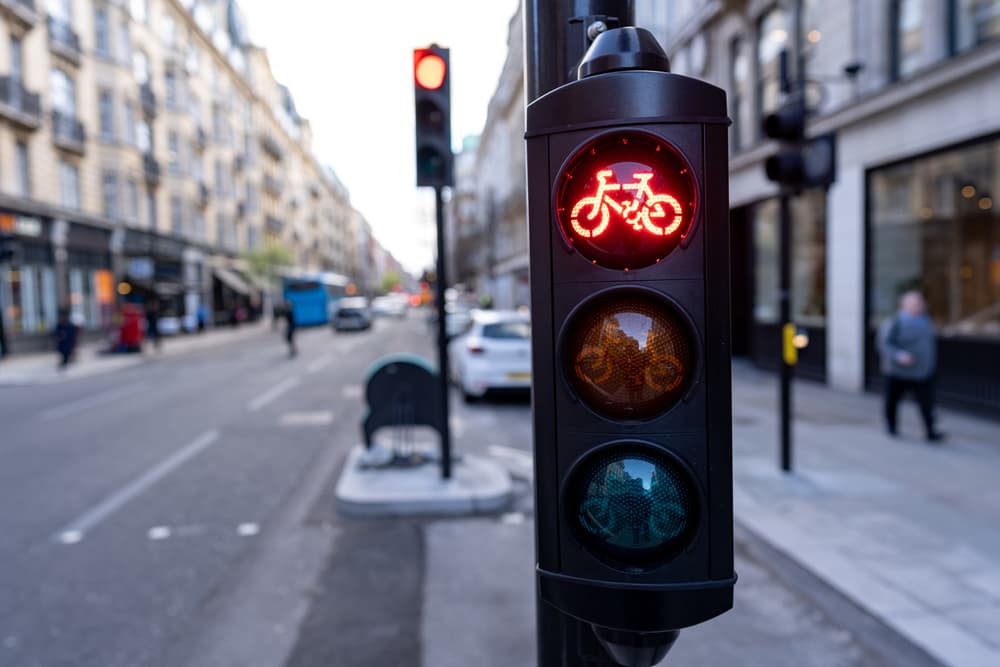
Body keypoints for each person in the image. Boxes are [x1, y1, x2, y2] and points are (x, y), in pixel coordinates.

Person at [878, 290, 944, 442]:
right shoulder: (895, 321)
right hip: (898, 371)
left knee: (927, 403)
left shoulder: (926, 321)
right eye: (915, 303)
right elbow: (884, 344)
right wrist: (899, 355)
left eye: (920, 303)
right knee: (892, 400)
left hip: (923, 371)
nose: (919, 306)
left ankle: (930, 430)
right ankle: (892, 426)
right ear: (904, 305)